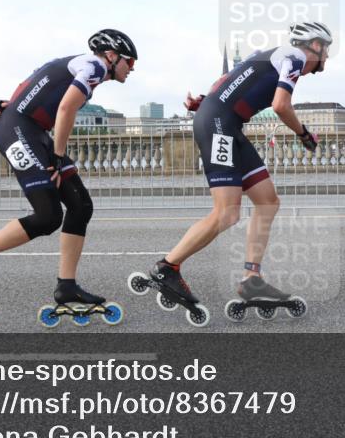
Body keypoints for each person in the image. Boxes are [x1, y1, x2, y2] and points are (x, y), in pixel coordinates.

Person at [138, 22, 333, 325]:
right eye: (327, 49)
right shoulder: (294, 57)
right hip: (220, 125)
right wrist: (304, 134)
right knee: (227, 213)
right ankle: (167, 266)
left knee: (268, 201)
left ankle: (251, 278)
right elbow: (281, 106)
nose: (328, 57)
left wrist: (204, 102)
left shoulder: (269, 54)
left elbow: (227, 82)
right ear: (315, 47)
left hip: (225, 123)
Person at [0, 29, 136, 322]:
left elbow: (35, 81)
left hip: (31, 130)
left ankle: (67, 287)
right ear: (111, 56)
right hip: (20, 131)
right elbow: (66, 107)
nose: (132, 68)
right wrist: (57, 157)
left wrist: (6, 105)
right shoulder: (95, 66)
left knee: (80, 205)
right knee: (47, 215)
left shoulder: (79, 63)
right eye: (129, 61)